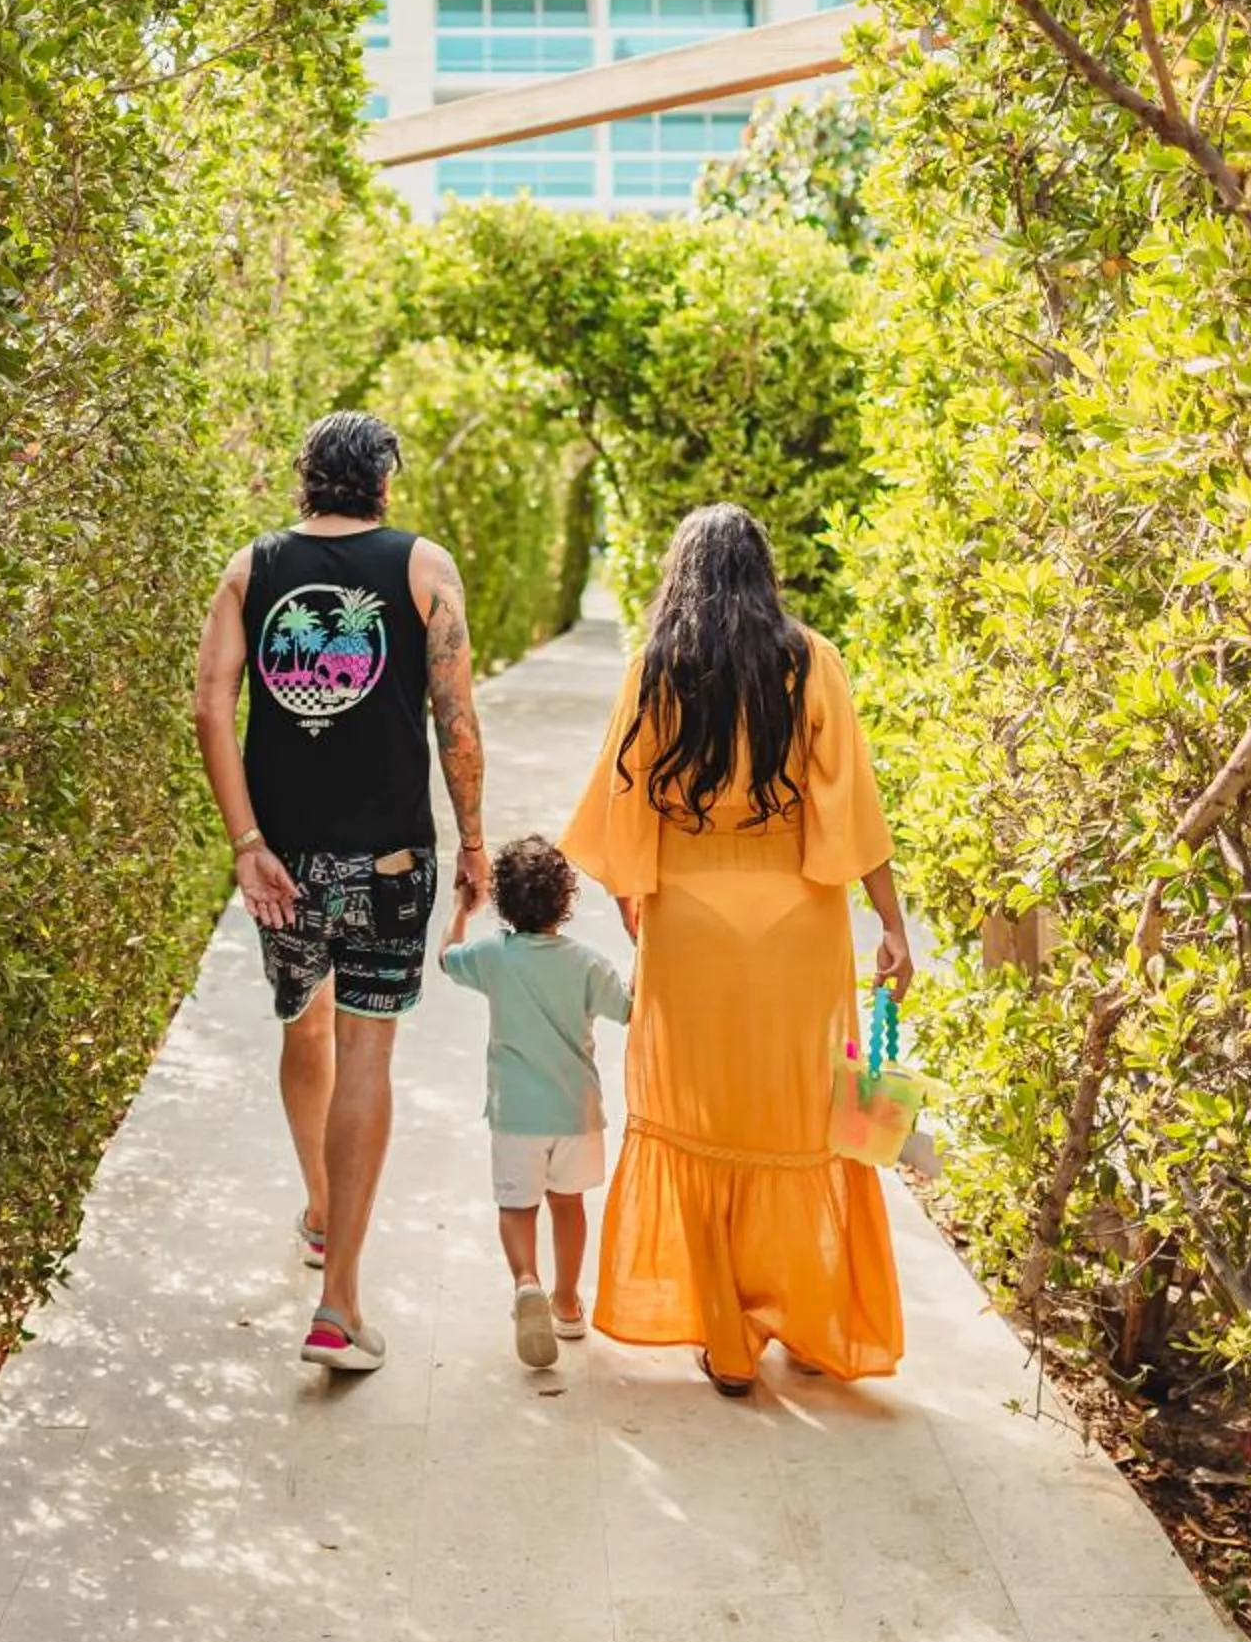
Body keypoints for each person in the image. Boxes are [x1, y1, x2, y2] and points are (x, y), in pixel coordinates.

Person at [562, 503, 915, 1398]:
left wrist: (642, 906)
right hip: (798, 925)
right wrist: (894, 927)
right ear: (765, 573)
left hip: (691, 924)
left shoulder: (656, 669)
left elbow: (617, 812)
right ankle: (801, 1314)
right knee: (797, 1121)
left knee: (704, 1123)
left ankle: (725, 1341)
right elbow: (856, 811)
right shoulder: (812, 661)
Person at [194, 410, 489, 1376]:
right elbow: (456, 719)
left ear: (304, 479)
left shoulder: (251, 568)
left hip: (282, 866)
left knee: (303, 1028)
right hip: (391, 862)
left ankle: (321, 1207)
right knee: (366, 1045)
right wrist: (476, 842)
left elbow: (209, 704)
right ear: (384, 484)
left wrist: (246, 844)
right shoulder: (422, 567)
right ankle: (340, 1304)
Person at [440, 834, 632, 1371]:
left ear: (502, 900)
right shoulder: (588, 964)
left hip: (515, 1116)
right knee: (568, 1205)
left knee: (516, 1206)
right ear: (564, 901)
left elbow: (446, 960)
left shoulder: (492, 956)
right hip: (576, 1115)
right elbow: (631, 1010)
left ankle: (527, 1281)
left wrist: (459, 907)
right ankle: (567, 1303)